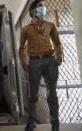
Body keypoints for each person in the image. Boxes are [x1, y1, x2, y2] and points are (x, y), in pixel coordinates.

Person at [19, 0, 63, 131]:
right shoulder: (25, 29)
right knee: (33, 94)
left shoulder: (50, 25)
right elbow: (21, 48)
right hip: (34, 62)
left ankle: (55, 124)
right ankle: (31, 122)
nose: (43, 8)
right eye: (40, 6)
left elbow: (57, 43)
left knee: (52, 94)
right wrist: (23, 61)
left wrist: (59, 56)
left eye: (43, 6)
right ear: (32, 11)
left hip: (50, 60)